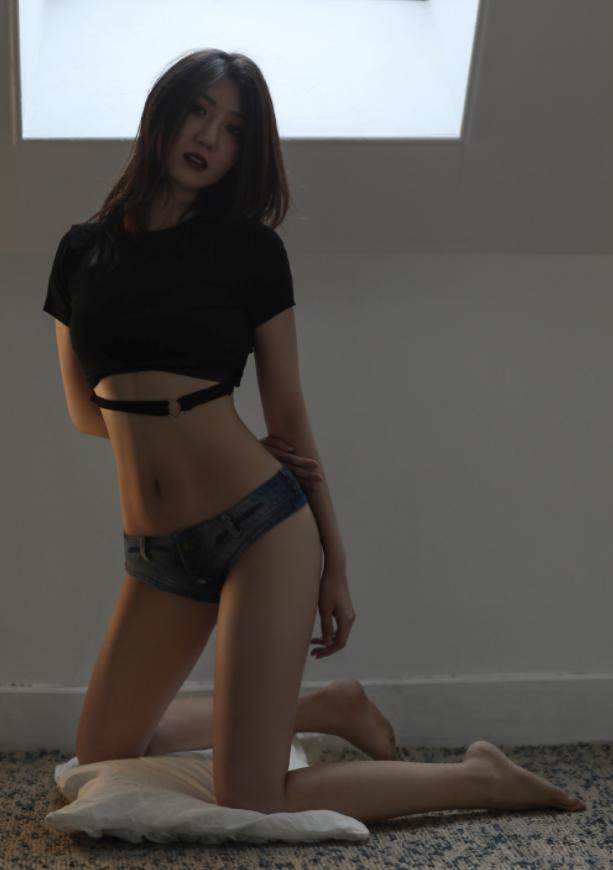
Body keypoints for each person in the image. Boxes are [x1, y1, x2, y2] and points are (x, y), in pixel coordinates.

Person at [42, 48, 585, 822]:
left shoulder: (249, 252)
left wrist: (334, 563)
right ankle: (323, 707)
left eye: (233, 129)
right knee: (101, 751)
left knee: (251, 794)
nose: (209, 137)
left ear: (244, 152)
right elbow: (83, 410)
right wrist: (180, 429)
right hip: (158, 550)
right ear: (164, 112)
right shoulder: (81, 251)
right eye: (198, 111)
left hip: (258, 529)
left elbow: (289, 422)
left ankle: (479, 777)